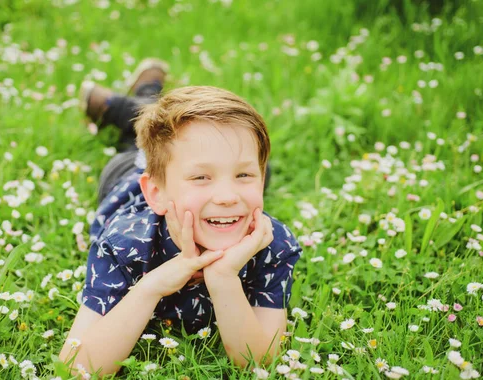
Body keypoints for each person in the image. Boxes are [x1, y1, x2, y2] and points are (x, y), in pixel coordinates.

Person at [58, 58, 302, 376]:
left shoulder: (271, 244)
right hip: (128, 179)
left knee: (226, 153)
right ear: (157, 193)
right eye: (201, 178)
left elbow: (260, 361)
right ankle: (131, 105)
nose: (228, 196)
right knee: (140, 148)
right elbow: (76, 369)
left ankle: (132, 103)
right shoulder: (126, 242)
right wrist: (151, 286)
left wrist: (224, 278)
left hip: (181, 182)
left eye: (244, 175)